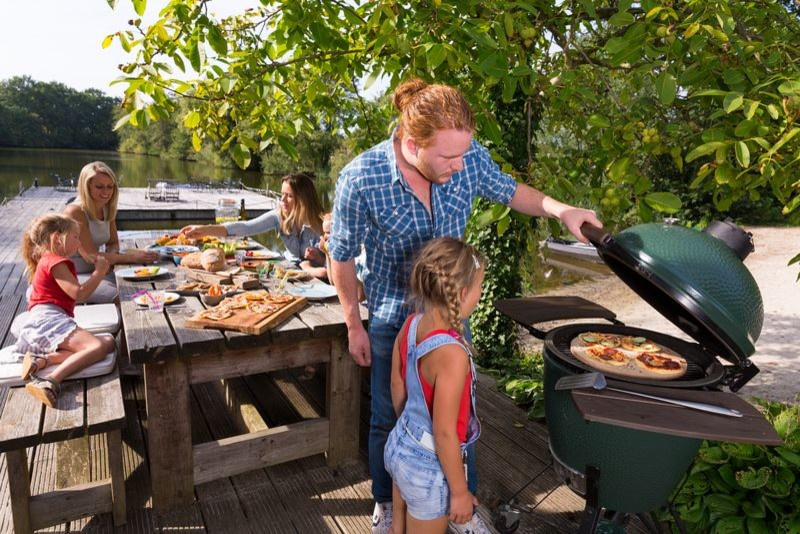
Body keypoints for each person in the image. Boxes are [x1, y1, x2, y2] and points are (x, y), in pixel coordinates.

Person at [328, 79, 603, 533]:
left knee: (458, 419)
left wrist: (562, 210)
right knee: (385, 416)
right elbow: (340, 255)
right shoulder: (362, 178)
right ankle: (386, 502)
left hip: (451, 317)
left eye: (463, 155)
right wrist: (353, 325)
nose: (460, 166)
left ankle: (463, 509)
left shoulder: (467, 156)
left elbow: (512, 191)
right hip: (393, 317)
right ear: (412, 143)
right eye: (448, 158)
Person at [386, 237, 485, 534]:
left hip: (399, 446)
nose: (480, 294)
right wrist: (459, 491)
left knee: (398, 529)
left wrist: (409, 429)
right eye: (480, 287)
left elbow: (396, 385)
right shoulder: (453, 355)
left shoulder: (412, 324)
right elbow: (443, 433)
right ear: (464, 293)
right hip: (428, 467)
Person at [13, 214, 117, 407]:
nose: (79, 243)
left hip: (44, 322)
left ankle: (43, 360)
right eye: (75, 237)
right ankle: (51, 380)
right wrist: (99, 272)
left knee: (109, 342)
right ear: (57, 238)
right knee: (96, 347)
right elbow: (79, 294)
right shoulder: (56, 261)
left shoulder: (45, 259)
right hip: (49, 322)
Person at [181, 172, 326, 272]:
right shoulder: (279, 216)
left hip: (319, 278)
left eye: (289, 196)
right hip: (293, 271)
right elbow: (246, 227)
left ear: (303, 199)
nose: (282, 200)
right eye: (282, 194)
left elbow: (340, 261)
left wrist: (318, 258)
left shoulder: (324, 223)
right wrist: (205, 229)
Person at [63, 161, 159, 303]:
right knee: (130, 296)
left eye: (110, 186)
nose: (106, 192)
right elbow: (91, 255)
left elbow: (113, 242)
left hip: (99, 270)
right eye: (99, 186)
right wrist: (131, 258)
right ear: (86, 186)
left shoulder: (107, 208)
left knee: (146, 285)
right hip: (74, 276)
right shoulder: (75, 212)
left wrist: (111, 257)